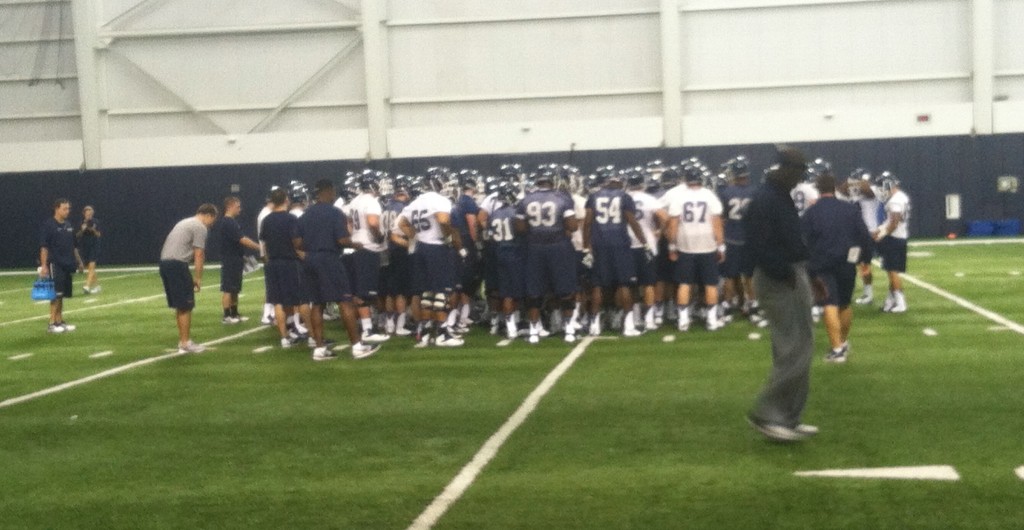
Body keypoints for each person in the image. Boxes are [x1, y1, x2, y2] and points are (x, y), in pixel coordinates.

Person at [743, 146, 824, 442]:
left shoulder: (778, 197)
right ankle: (768, 414)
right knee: (794, 349)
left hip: (791, 273)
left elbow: (793, 241)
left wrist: (811, 275)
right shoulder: (766, 201)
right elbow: (757, 246)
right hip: (779, 278)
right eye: (800, 171)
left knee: (800, 345)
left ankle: (789, 416)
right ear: (785, 169)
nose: (801, 177)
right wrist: (786, 273)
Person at [296, 179, 381, 361]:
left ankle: (319, 348)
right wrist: (355, 244)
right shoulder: (335, 213)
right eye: (332, 191)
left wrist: (311, 248)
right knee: (345, 301)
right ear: (327, 191)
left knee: (317, 304)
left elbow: (296, 242)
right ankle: (357, 346)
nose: (334, 195)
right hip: (329, 259)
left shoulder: (306, 214)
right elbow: (342, 240)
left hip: (310, 259)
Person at [801, 173, 873, 363]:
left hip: (822, 263)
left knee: (829, 304)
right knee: (845, 304)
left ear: (817, 188)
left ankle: (837, 349)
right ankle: (842, 341)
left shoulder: (811, 213)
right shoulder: (850, 209)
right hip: (848, 261)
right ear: (834, 188)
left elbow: (803, 242)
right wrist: (866, 262)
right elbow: (864, 236)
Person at [397, 171, 466, 347]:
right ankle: (442, 333)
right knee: (441, 292)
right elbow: (443, 220)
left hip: (421, 248)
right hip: (437, 248)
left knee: (427, 293)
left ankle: (426, 333)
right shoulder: (440, 200)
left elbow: (402, 224)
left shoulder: (416, 202)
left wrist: (416, 236)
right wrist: (449, 238)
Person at [515, 168, 580, 343]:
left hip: (534, 247)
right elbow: (573, 226)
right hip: (558, 247)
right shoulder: (563, 198)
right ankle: (568, 329)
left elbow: (520, 228)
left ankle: (534, 331)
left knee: (534, 291)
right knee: (566, 289)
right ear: (552, 181)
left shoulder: (525, 200)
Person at [662, 162, 726, 332]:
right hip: (707, 244)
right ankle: (711, 320)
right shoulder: (710, 196)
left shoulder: (679, 197)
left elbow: (673, 225)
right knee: (710, 284)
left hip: (686, 245)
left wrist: (671, 246)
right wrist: (721, 247)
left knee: (684, 283)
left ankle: (683, 320)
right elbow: (717, 224)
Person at [583, 170, 647, 338]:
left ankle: (594, 324)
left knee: (598, 284)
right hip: (620, 244)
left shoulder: (594, 197)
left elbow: (587, 224)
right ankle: (628, 325)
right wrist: (644, 242)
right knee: (624, 283)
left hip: (599, 244)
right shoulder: (624, 197)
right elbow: (632, 221)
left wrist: (586, 247)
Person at [159, 204, 219, 353]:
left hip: (165, 263)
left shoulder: (184, 222)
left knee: (180, 306)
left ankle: (183, 341)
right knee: (186, 305)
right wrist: (198, 278)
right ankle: (186, 343)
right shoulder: (200, 227)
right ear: (208, 215)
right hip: (177, 265)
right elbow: (199, 254)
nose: (212, 224)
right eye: (213, 220)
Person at [258, 188, 305, 348]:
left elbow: (263, 242)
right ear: (286, 200)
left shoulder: (267, 219)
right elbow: (297, 241)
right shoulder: (291, 218)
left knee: (277, 301)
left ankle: (284, 337)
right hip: (289, 262)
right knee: (295, 299)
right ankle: (300, 329)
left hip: (272, 263)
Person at [39, 198, 84, 333]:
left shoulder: (69, 225)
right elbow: (44, 247)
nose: (67, 211)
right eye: (64, 208)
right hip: (55, 263)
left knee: (62, 294)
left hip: (68, 263)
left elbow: (74, 246)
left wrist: (79, 261)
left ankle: (59, 322)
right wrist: (44, 265)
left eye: (68, 208)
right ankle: (51, 323)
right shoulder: (49, 225)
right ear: (57, 209)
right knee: (55, 295)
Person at [219, 196, 262, 324]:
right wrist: (259, 247)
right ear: (229, 206)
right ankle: (227, 316)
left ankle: (234, 313)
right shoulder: (228, 222)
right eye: (237, 207)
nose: (240, 209)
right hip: (230, 260)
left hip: (236, 258)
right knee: (228, 288)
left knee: (235, 288)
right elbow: (242, 239)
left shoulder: (232, 222)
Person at [874, 172, 911, 313]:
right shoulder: (901, 197)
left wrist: (882, 233)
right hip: (899, 237)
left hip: (894, 238)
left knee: (892, 271)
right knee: (892, 270)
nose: (881, 190)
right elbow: (891, 221)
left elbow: (894, 222)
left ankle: (900, 302)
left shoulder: (895, 200)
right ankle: (890, 302)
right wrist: (880, 229)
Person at [76, 205, 102, 294]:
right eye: (87, 214)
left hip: (94, 246)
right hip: (85, 246)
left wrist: (93, 229)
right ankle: (97, 286)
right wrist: (82, 229)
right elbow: (77, 235)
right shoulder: (81, 222)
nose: (89, 215)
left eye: (90, 213)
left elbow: (98, 235)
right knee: (90, 267)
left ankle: (87, 286)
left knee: (91, 266)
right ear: (84, 214)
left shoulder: (96, 222)